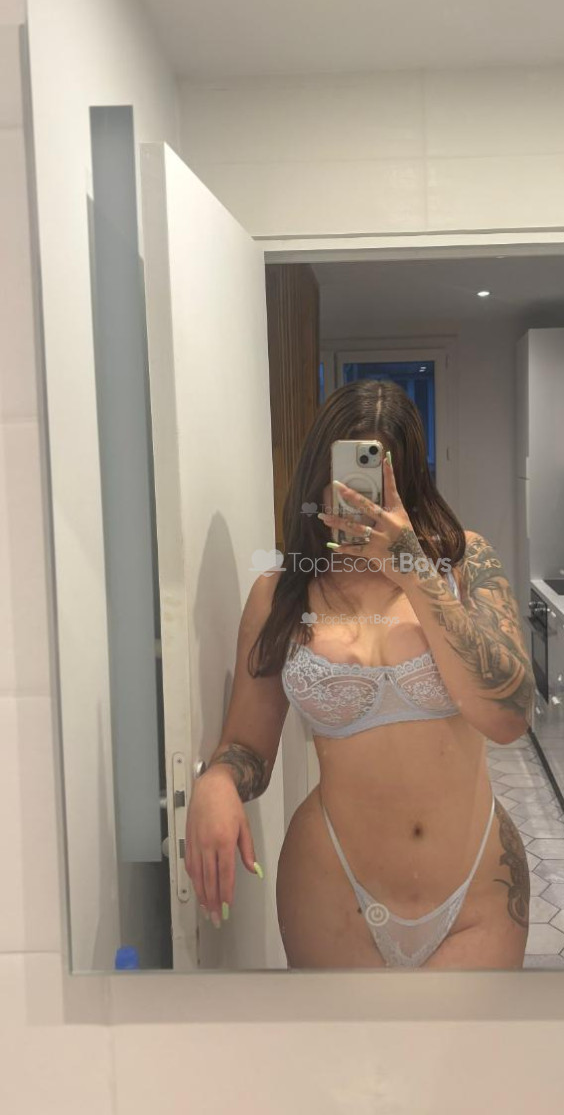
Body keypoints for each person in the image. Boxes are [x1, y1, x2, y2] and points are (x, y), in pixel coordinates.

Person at [185, 380, 536, 968]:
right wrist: (218, 781)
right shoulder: (280, 594)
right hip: (330, 888)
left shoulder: (462, 564)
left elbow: (509, 716)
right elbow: (246, 747)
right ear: (317, 477)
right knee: (345, 1037)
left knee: (470, 1036)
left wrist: (412, 568)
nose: (358, 496)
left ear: (409, 482)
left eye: (374, 479)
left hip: (476, 890)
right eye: (345, 478)